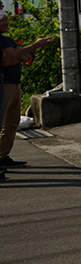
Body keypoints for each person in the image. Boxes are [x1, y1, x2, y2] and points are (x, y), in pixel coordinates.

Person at [0, 10, 53, 172]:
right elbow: (8, 60)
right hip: (5, 84)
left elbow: (26, 56)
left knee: (12, 121)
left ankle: (3, 155)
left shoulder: (6, 39)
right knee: (3, 121)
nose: (7, 23)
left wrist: (17, 55)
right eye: (3, 21)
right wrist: (34, 46)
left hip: (16, 83)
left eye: (7, 20)